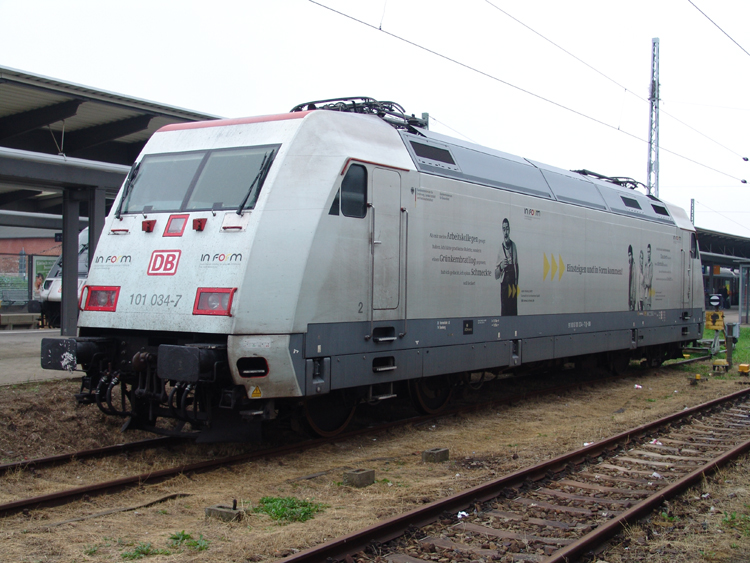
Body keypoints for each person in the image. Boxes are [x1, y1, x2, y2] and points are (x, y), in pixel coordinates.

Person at [495, 218, 518, 316]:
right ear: (502, 230)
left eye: (507, 229)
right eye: (504, 229)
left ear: (510, 230)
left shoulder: (514, 246)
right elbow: (496, 275)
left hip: (513, 287)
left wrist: (516, 285)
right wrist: (500, 267)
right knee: (505, 313)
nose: (506, 232)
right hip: (504, 288)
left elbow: (517, 267)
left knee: (513, 312)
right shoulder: (500, 248)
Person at [643, 244, 653, 310]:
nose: (648, 254)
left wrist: (645, 283)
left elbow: (648, 282)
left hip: (649, 296)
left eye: (649, 252)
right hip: (645, 296)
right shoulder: (645, 265)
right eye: (647, 252)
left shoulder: (651, 265)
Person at [628, 245, 636, 311]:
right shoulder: (628, 266)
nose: (629, 257)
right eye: (628, 255)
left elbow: (634, 285)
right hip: (629, 300)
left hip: (632, 299)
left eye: (630, 255)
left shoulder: (634, 267)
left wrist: (633, 301)